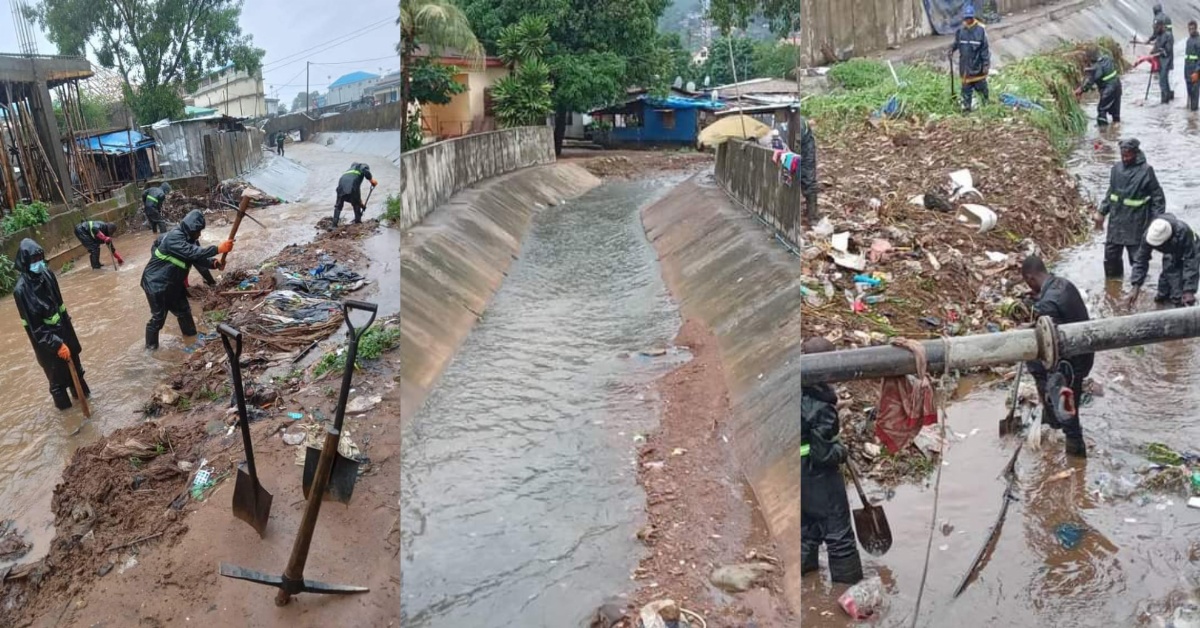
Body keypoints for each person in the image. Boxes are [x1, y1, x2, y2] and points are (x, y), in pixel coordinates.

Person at [801, 336, 864, 585]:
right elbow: (824, 454)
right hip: (818, 475)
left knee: (806, 530)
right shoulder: (821, 407)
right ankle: (848, 587)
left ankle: (807, 580)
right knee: (838, 533)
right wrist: (841, 452)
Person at [1021, 256, 1094, 458]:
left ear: (1030, 278)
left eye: (1028, 282)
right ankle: (1054, 423)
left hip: (1068, 366)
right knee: (1069, 401)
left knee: (1067, 408)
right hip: (1083, 354)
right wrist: (1037, 299)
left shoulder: (1048, 303)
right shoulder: (1063, 284)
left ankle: (1076, 457)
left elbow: (1044, 329)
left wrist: (1027, 320)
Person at [13, 239, 89, 410]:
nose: (38, 263)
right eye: (34, 260)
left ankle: (86, 403)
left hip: (64, 331)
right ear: (25, 262)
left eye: (40, 258)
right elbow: (36, 328)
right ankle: (69, 419)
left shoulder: (47, 274)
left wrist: (68, 338)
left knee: (77, 371)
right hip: (45, 344)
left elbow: (61, 306)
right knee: (58, 383)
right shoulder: (21, 290)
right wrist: (56, 344)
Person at [140, 210, 232, 350]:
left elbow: (199, 258)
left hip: (173, 284)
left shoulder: (191, 239)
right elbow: (192, 253)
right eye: (198, 231)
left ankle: (191, 339)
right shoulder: (174, 237)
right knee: (158, 319)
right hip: (156, 284)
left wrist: (214, 263)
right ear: (191, 228)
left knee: (184, 311)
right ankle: (150, 351)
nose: (200, 234)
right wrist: (217, 249)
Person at [1095, 138, 1165, 279]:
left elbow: (1158, 198)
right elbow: (1111, 194)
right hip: (1116, 223)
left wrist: (1156, 222)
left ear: (1135, 153)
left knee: (1138, 261)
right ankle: (1113, 289)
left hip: (1137, 224)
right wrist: (1102, 211)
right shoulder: (1116, 169)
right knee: (1111, 260)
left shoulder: (1146, 171)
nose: (1125, 159)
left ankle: (1140, 289)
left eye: (1128, 155)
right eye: (1123, 156)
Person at [1128, 214, 1200, 307]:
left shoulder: (1183, 231)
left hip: (1190, 249)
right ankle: (1162, 303)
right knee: (1163, 292)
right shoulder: (1150, 233)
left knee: (1178, 295)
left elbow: (1191, 262)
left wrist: (1189, 290)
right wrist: (1136, 285)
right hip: (1170, 252)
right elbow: (1141, 259)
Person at [948, 5, 990, 111]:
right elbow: (957, 43)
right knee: (966, 92)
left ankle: (986, 108)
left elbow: (984, 49)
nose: (967, 20)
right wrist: (952, 49)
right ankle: (966, 110)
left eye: (969, 18)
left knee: (982, 91)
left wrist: (986, 64)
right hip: (965, 69)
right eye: (966, 18)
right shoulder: (961, 31)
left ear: (973, 17)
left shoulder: (980, 31)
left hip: (977, 69)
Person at [1075, 48, 1122, 125]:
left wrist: (1081, 90)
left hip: (1108, 89)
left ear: (1091, 58)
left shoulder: (1096, 67)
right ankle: (1116, 129)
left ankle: (1103, 132)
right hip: (1118, 86)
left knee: (1101, 110)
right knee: (1116, 113)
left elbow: (1089, 82)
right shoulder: (1107, 58)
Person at [333, 162, 377, 227]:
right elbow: (366, 171)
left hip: (341, 185)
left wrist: (361, 204)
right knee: (356, 204)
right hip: (353, 185)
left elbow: (356, 197)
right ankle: (358, 221)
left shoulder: (349, 171)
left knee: (338, 205)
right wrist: (371, 180)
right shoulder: (362, 166)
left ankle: (334, 225)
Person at [799, 115, 818, 223]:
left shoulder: (800, 124)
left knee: (808, 178)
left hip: (806, 146)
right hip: (788, 149)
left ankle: (812, 215)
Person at [1152, 18, 1176, 103]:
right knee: (1163, 81)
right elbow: (1156, 46)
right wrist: (1153, 51)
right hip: (1160, 62)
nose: (1156, 29)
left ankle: (1165, 101)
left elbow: (1168, 50)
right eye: (1155, 27)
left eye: (1157, 27)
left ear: (1162, 26)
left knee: (1163, 80)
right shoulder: (1159, 35)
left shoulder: (1168, 35)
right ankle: (1167, 97)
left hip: (1167, 61)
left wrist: (1160, 51)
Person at [1186, 21, 1200, 111]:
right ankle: (1191, 118)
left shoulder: (1199, 41)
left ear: (1196, 29)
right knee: (1189, 92)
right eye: (1189, 29)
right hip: (1187, 70)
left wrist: (1197, 71)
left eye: (1192, 29)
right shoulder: (1188, 40)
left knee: (1195, 93)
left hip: (1195, 70)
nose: (1190, 31)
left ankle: (1194, 112)